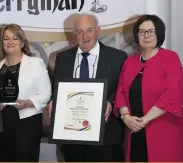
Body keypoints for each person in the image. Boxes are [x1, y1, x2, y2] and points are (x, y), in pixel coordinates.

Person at [48, 13, 128, 162]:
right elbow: (57, 90)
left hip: (106, 137)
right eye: (79, 31)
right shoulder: (63, 58)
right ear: (74, 34)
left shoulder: (118, 57)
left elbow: (123, 90)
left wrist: (111, 102)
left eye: (89, 30)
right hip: (71, 138)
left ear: (98, 30)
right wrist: (54, 100)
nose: (85, 36)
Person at [114, 14, 183, 162]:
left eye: (151, 31)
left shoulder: (170, 58)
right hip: (133, 130)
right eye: (142, 31)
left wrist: (144, 120)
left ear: (158, 34)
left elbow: (173, 94)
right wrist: (126, 117)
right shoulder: (130, 62)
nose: (146, 35)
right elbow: (120, 92)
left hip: (164, 131)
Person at [0, 24, 52, 161]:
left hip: (26, 127)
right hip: (1, 128)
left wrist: (28, 103)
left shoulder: (35, 63)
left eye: (15, 38)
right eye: (6, 38)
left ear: (22, 42)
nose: (10, 42)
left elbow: (46, 94)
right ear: (2, 43)